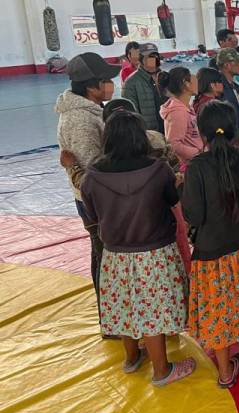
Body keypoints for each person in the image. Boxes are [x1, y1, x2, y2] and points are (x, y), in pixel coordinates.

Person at [80, 111, 195, 386]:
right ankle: (162, 370)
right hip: (154, 251)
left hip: (115, 253)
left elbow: (93, 214)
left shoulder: (93, 176)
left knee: (123, 305)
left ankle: (131, 359)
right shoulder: (158, 170)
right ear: (140, 137)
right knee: (152, 309)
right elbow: (171, 199)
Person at [183, 100, 239, 390]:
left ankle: (225, 373)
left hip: (211, 254)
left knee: (218, 313)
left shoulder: (196, 167)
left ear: (202, 134)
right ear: (235, 128)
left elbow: (194, 215)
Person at [55, 52, 119, 336]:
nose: (110, 85)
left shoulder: (93, 111)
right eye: (105, 81)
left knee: (107, 254)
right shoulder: (80, 120)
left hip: (101, 196)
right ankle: (113, 319)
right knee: (104, 255)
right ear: (92, 86)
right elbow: (93, 173)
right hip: (96, 201)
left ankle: (117, 314)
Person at [160, 67, 205, 171]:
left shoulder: (185, 107)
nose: (197, 81)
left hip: (194, 161)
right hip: (189, 165)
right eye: (193, 78)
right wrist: (198, 153)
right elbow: (174, 144)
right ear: (186, 83)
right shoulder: (178, 112)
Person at [122, 43, 167, 132]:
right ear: (141, 59)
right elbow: (130, 114)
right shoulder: (130, 83)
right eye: (148, 57)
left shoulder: (166, 77)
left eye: (155, 56)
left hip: (169, 129)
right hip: (150, 134)